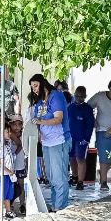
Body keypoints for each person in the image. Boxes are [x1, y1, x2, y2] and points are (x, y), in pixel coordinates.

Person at [28, 74, 71, 211]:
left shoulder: (56, 96)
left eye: (35, 86)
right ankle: (54, 205)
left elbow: (58, 118)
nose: (34, 89)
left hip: (59, 140)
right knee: (51, 177)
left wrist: (40, 121)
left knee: (59, 176)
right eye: (32, 87)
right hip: (46, 142)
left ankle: (60, 207)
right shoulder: (40, 101)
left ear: (43, 84)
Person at [88, 78, 111, 194]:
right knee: (104, 158)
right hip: (102, 131)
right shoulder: (99, 97)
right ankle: (103, 181)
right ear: (110, 89)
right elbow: (87, 108)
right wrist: (93, 121)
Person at [68, 84, 96, 191]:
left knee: (80, 158)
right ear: (74, 95)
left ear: (85, 96)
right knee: (71, 158)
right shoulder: (70, 107)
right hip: (71, 138)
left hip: (82, 139)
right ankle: (74, 177)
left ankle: (80, 181)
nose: (79, 99)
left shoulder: (87, 109)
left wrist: (86, 139)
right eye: (77, 96)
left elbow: (90, 125)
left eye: (81, 97)